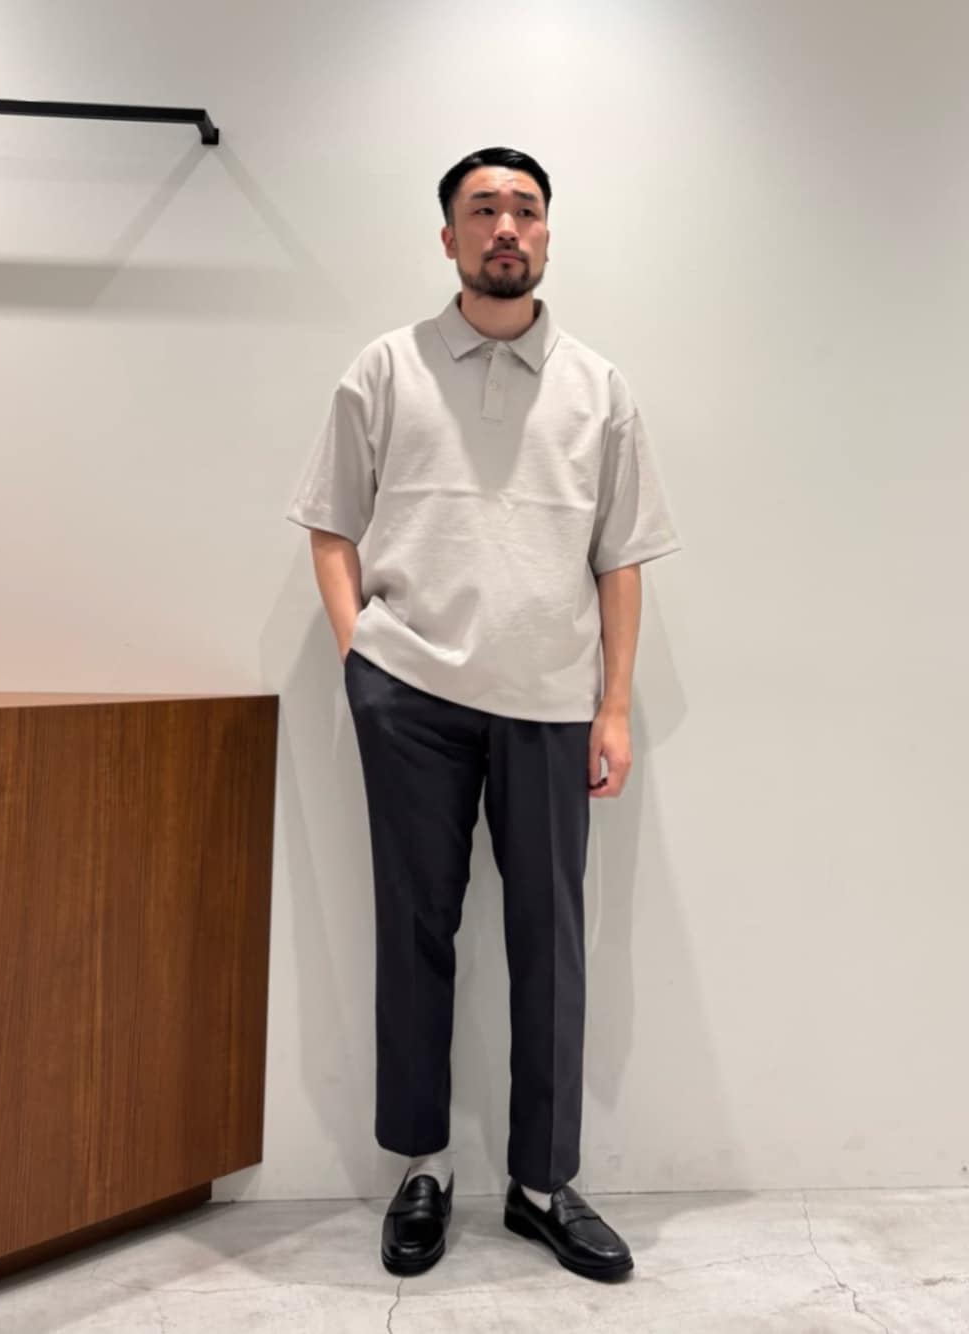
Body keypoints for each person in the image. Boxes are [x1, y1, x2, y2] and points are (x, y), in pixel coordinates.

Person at [285, 146, 682, 1283]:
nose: (506, 226)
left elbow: (620, 557)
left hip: (551, 702)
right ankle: (423, 1166)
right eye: (483, 208)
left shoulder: (599, 387)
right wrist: (361, 655)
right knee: (415, 927)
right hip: (410, 695)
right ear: (448, 236)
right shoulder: (385, 369)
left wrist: (614, 703)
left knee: (551, 941)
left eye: (525, 209)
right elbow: (330, 522)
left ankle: (542, 1184)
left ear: (547, 234)